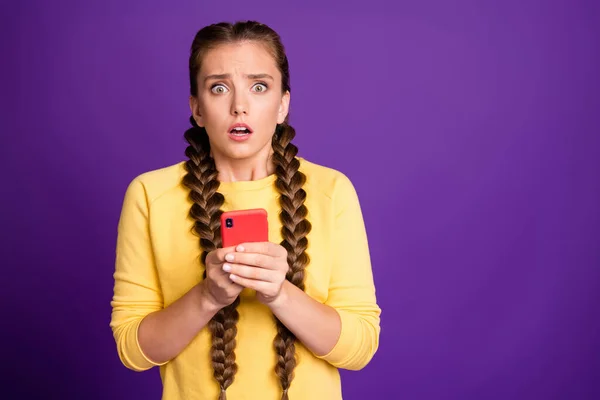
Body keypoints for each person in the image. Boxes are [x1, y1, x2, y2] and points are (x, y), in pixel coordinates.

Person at [110, 20, 381, 400]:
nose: (239, 106)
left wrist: (280, 294)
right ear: (197, 109)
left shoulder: (332, 191)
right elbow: (133, 351)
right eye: (219, 88)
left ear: (283, 103)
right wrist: (208, 296)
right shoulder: (150, 194)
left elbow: (360, 348)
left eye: (259, 86)